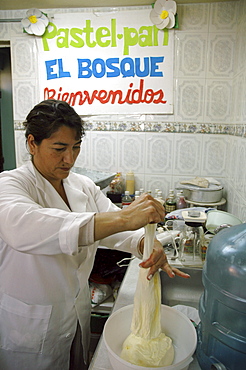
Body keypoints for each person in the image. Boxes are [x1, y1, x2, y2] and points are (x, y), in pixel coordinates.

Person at [0, 99, 189, 370]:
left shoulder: (82, 186)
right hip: (29, 326)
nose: (70, 159)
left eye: (75, 147)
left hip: (75, 314)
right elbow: (25, 227)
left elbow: (114, 229)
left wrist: (144, 242)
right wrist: (125, 216)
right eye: (59, 148)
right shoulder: (10, 184)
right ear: (32, 143)